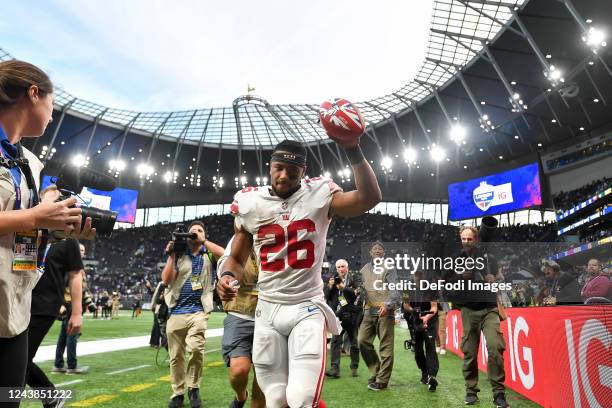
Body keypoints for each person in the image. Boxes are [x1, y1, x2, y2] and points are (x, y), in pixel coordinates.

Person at [217, 137, 381, 408]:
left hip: (306, 306)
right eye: (278, 168)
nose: (283, 176)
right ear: (270, 166)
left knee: (301, 398)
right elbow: (235, 258)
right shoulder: (250, 202)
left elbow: (369, 197)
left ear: (303, 171)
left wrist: (353, 148)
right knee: (276, 399)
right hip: (267, 309)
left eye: (292, 172)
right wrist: (227, 277)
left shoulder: (318, 194)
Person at [0, 60, 94, 397]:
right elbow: (29, 218)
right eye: (52, 106)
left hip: (15, 307)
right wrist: (37, 218)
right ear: (33, 93)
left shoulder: (30, 162)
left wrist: (60, 228)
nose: (53, 116)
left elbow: (28, 226)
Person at [161, 221, 224, 408]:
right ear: (186, 236)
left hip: (199, 311)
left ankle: (193, 388)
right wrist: (171, 255)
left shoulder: (209, 254)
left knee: (196, 349)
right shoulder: (179, 254)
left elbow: (224, 255)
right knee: (176, 356)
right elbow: (166, 280)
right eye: (192, 231)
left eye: (200, 230)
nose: (196, 232)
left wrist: (204, 241)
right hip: (176, 310)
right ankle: (178, 393)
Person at [452, 226, 508, 407]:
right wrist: (461, 277)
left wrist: (494, 280)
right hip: (468, 310)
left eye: (470, 238)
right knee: (469, 352)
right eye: (464, 238)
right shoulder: (455, 260)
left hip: (490, 308)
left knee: (495, 348)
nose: (466, 241)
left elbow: (500, 279)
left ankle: (498, 393)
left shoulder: (489, 258)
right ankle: (471, 391)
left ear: (475, 239)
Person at [26, 237, 84, 408]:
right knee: (17, 358)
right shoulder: (32, 230)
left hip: (44, 307)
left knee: (21, 359)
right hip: (19, 301)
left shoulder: (68, 239)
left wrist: (76, 312)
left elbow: (75, 275)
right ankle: (52, 396)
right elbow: (21, 266)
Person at [217, 237, 265, 408]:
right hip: (241, 313)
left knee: (263, 373)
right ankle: (240, 396)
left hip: (270, 315)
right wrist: (226, 278)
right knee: (238, 370)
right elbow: (227, 261)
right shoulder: (240, 238)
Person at [358, 242, 401, 391]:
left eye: (380, 249)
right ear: (370, 252)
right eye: (374, 249)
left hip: (385, 311)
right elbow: (362, 289)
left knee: (386, 346)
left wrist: (388, 305)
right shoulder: (363, 270)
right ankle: (376, 372)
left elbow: (395, 289)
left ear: (383, 253)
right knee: (362, 341)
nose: (377, 251)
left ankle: (382, 380)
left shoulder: (389, 267)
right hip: (369, 310)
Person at [52, 243, 90, 375]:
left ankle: (58, 365)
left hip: (70, 305)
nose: (81, 252)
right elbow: (62, 287)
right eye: (79, 249)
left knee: (63, 336)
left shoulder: (76, 267)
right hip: (69, 306)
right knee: (72, 336)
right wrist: (61, 304)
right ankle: (72, 366)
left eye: (83, 250)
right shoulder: (71, 267)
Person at [325, 259, 361, 379]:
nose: (341, 269)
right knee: (335, 341)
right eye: (339, 267)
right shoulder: (334, 279)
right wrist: (330, 287)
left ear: (347, 267)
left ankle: (354, 367)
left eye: (342, 266)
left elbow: (357, 293)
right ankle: (335, 369)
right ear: (336, 269)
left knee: (354, 341)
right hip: (338, 314)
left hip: (351, 315)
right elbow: (328, 297)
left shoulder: (354, 278)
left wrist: (343, 287)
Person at [403, 271, 439, 392]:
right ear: (413, 275)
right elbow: (405, 305)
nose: (419, 277)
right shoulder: (407, 287)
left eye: (421, 274)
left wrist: (427, 317)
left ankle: (432, 376)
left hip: (430, 320)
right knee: (418, 350)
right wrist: (414, 312)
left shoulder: (431, 287)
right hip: (415, 320)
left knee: (430, 347)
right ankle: (425, 371)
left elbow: (434, 307)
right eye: (417, 274)